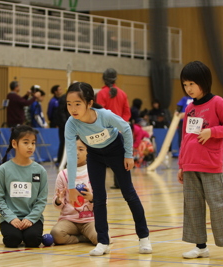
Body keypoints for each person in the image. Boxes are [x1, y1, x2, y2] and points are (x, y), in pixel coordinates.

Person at [64, 82, 152, 256]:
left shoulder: (104, 115)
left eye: (77, 104)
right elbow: (72, 155)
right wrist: (71, 186)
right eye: (69, 104)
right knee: (99, 198)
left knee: (129, 193)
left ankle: (144, 237)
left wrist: (128, 155)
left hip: (116, 151)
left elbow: (126, 128)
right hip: (95, 155)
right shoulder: (71, 124)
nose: (72, 109)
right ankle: (103, 241)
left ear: (89, 103)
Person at [177, 61, 223, 262]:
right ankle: (200, 247)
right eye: (185, 84)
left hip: (210, 164)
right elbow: (185, 137)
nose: (188, 88)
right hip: (189, 165)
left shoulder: (217, 103)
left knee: (218, 205)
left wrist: (212, 131)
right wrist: (181, 164)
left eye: (191, 84)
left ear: (203, 82)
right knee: (193, 206)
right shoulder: (189, 108)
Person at [0, 125, 48, 248]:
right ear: (14, 144)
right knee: (12, 240)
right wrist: (11, 218)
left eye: (33, 143)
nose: (30, 146)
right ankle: (16, 233)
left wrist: (31, 218)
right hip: (10, 219)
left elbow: (42, 200)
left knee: (33, 240)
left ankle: (27, 232)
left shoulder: (40, 171)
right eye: (26, 142)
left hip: (33, 218)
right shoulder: (3, 170)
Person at [50, 137, 97, 245]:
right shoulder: (63, 174)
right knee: (56, 234)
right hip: (69, 220)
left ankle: (89, 235)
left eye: (81, 149)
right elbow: (57, 206)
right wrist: (58, 200)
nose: (76, 152)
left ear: (88, 151)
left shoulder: (94, 172)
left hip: (90, 220)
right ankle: (82, 238)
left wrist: (91, 198)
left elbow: (104, 200)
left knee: (100, 238)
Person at [96, 68, 131, 189]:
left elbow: (100, 112)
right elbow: (127, 113)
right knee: (119, 157)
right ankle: (120, 183)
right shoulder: (123, 93)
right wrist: (121, 126)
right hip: (120, 130)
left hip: (105, 130)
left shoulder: (101, 94)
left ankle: (99, 184)